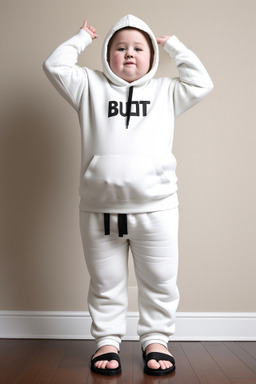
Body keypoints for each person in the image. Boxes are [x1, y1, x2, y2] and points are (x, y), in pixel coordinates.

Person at [43, 14, 213, 376]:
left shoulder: (167, 91)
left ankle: (156, 340)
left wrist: (176, 48)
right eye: (120, 48)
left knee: (160, 280)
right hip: (98, 209)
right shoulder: (88, 86)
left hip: (157, 209)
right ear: (107, 54)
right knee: (105, 284)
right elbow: (54, 66)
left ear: (152, 55)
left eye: (139, 48)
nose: (130, 54)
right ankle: (107, 341)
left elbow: (202, 83)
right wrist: (80, 38)